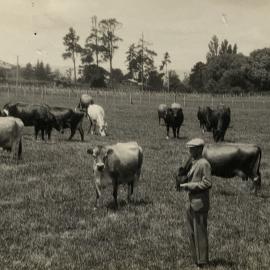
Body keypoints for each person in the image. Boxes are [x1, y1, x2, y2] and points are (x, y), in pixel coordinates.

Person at [180, 138, 212, 268]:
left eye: (192, 148)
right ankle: (196, 260)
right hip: (191, 202)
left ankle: (202, 261)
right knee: (192, 232)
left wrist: (188, 185)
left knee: (200, 232)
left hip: (200, 203)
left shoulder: (204, 164)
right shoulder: (193, 162)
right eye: (189, 148)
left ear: (199, 149)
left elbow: (207, 183)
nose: (190, 150)